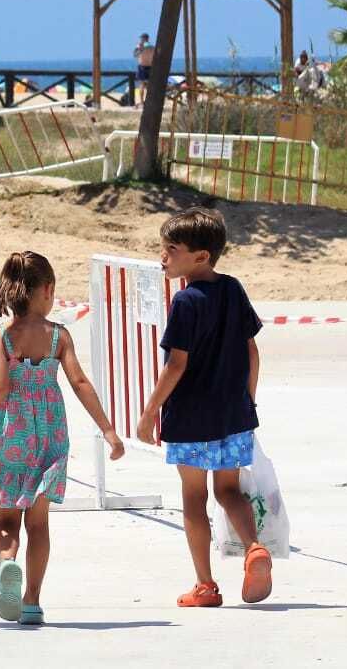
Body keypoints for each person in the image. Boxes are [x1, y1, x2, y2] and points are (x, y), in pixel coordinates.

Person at [0, 251, 125, 625]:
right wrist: (108, 430)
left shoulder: (2, 336)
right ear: (47, 290)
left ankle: (6, 563)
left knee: (8, 521)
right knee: (39, 524)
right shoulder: (58, 337)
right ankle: (31, 600)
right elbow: (80, 382)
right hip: (47, 437)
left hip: (6, 436)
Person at [138, 207, 272, 608]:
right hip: (234, 412)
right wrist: (247, 399)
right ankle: (253, 548)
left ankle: (206, 585)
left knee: (194, 500)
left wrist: (149, 412)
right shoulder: (233, 288)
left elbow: (176, 364)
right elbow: (252, 351)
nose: (163, 257)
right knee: (229, 489)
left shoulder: (185, 301)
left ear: (200, 257)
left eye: (172, 250)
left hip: (191, 417)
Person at [134, 33, 155, 106]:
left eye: (141, 38)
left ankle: (142, 102)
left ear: (143, 39)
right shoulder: (152, 47)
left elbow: (135, 55)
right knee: (149, 85)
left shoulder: (140, 46)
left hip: (142, 67)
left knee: (142, 85)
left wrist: (140, 48)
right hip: (150, 66)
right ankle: (149, 101)